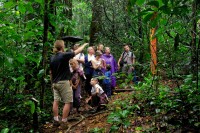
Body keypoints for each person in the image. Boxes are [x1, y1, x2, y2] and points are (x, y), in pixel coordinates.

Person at [50, 40, 88, 127]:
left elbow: (51, 72)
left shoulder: (52, 57)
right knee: (68, 102)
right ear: (62, 47)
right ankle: (64, 121)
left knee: (56, 101)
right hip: (63, 82)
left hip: (55, 82)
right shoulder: (63, 55)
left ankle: (56, 120)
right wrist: (84, 45)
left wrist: (52, 82)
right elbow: (77, 51)